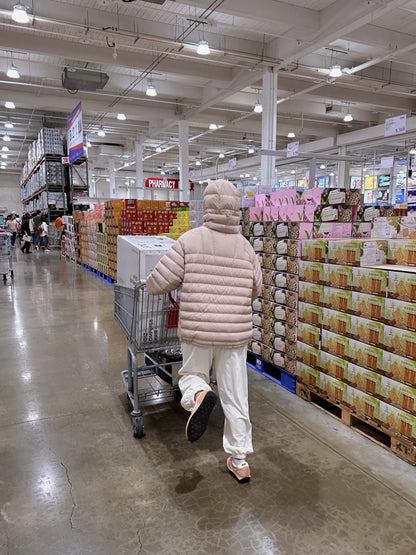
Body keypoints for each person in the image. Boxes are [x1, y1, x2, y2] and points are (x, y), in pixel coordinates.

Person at [146, 180, 262, 482]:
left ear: (206, 206)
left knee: (192, 375)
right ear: (236, 208)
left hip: (198, 329)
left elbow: (158, 282)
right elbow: (256, 290)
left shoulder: (190, 240)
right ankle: (239, 461)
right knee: (236, 395)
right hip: (234, 335)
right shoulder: (247, 248)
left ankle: (199, 394)